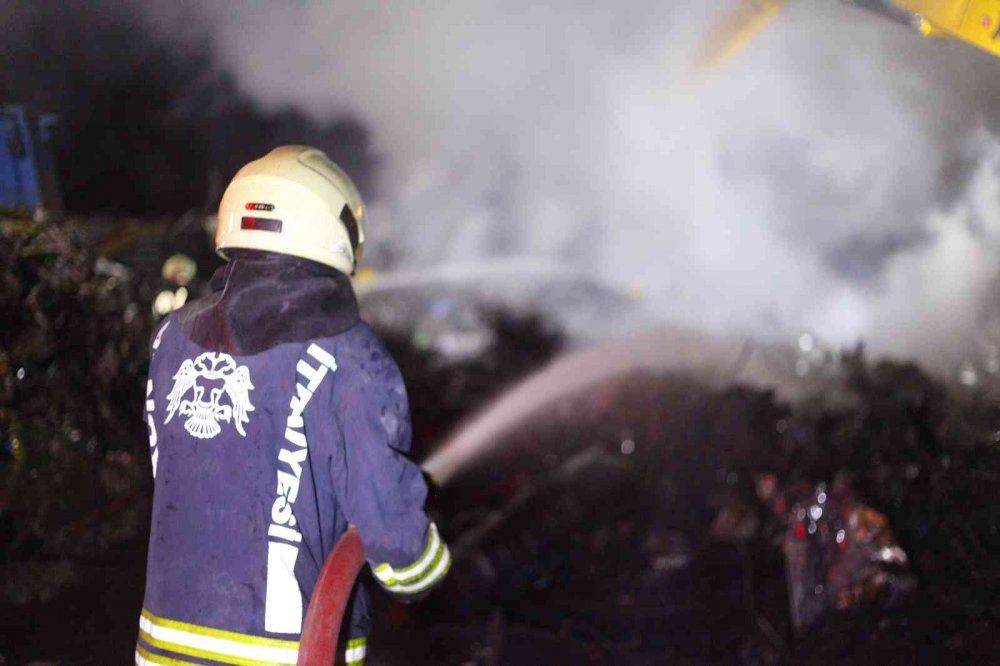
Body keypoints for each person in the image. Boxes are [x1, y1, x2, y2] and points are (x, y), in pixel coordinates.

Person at [136, 146, 449, 666]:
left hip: (162, 642)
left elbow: (177, 477)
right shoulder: (350, 355)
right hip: (285, 651)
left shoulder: (170, 337)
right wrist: (427, 563)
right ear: (335, 227)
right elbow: (389, 530)